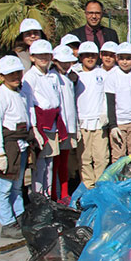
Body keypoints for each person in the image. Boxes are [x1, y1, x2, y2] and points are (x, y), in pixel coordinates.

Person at [0, 56, 34, 238]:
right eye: (10, 74)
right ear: (1, 76)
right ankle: (7, 223)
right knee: (4, 186)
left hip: (20, 144)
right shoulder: (0, 97)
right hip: (8, 146)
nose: (15, 77)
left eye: (17, 73)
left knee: (17, 185)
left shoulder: (19, 93)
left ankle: (19, 215)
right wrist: (0, 153)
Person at [21, 40, 62, 197]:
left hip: (52, 125)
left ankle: (48, 195)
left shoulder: (53, 76)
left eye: (46, 55)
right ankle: (39, 197)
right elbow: (29, 105)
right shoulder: (30, 78)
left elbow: (58, 100)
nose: (43, 58)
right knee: (39, 166)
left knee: (50, 164)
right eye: (39, 56)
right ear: (32, 58)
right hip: (40, 126)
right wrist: (34, 129)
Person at [104, 42, 131, 162]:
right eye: (121, 58)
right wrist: (113, 125)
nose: (125, 62)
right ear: (116, 58)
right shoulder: (112, 77)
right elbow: (110, 103)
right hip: (119, 122)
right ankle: (118, 180)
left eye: (128, 58)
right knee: (118, 155)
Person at [75, 41, 109, 187]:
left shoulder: (103, 74)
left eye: (93, 55)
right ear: (81, 57)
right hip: (82, 122)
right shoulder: (75, 75)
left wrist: (105, 114)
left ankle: (100, 185)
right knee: (84, 158)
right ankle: (88, 186)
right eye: (86, 56)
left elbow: (107, 96)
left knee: (101, 157)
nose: (90, 58)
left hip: (99, 122)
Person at [51, 45, 79, 204]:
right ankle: (55, 194)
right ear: (55, 61)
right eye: (63, 62)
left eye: (69, 62)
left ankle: (64, 193)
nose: (66, 65)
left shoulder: (69, 78)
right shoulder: (53, 78)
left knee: (64, 163)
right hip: (59, 127)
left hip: (69, 127)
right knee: (55, 163)